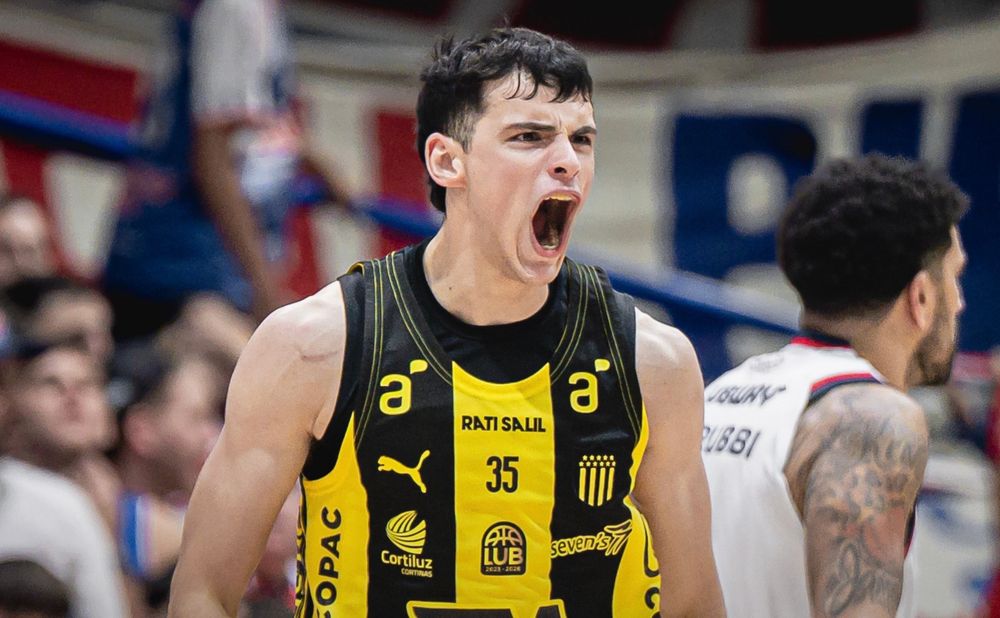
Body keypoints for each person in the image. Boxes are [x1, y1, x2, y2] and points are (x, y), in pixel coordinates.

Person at [170, 27, 724, 617]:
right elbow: (203, 590)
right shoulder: (312, 345)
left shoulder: (653, 361)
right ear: (446, 161)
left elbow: (693, 606)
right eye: (530, 136)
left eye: (581, 140)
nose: (567, 161)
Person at [702, 154, 968, 617]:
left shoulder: (717, 395)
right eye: (955, 278)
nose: (961, 303)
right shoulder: (873, 419)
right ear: (921, 296)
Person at [103, 0, 352, 337]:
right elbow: (212, 157)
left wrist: (318, 163)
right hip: (182, 267)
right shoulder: (236, 9)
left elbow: (254, 117)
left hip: (185, 262)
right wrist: (264, 288)